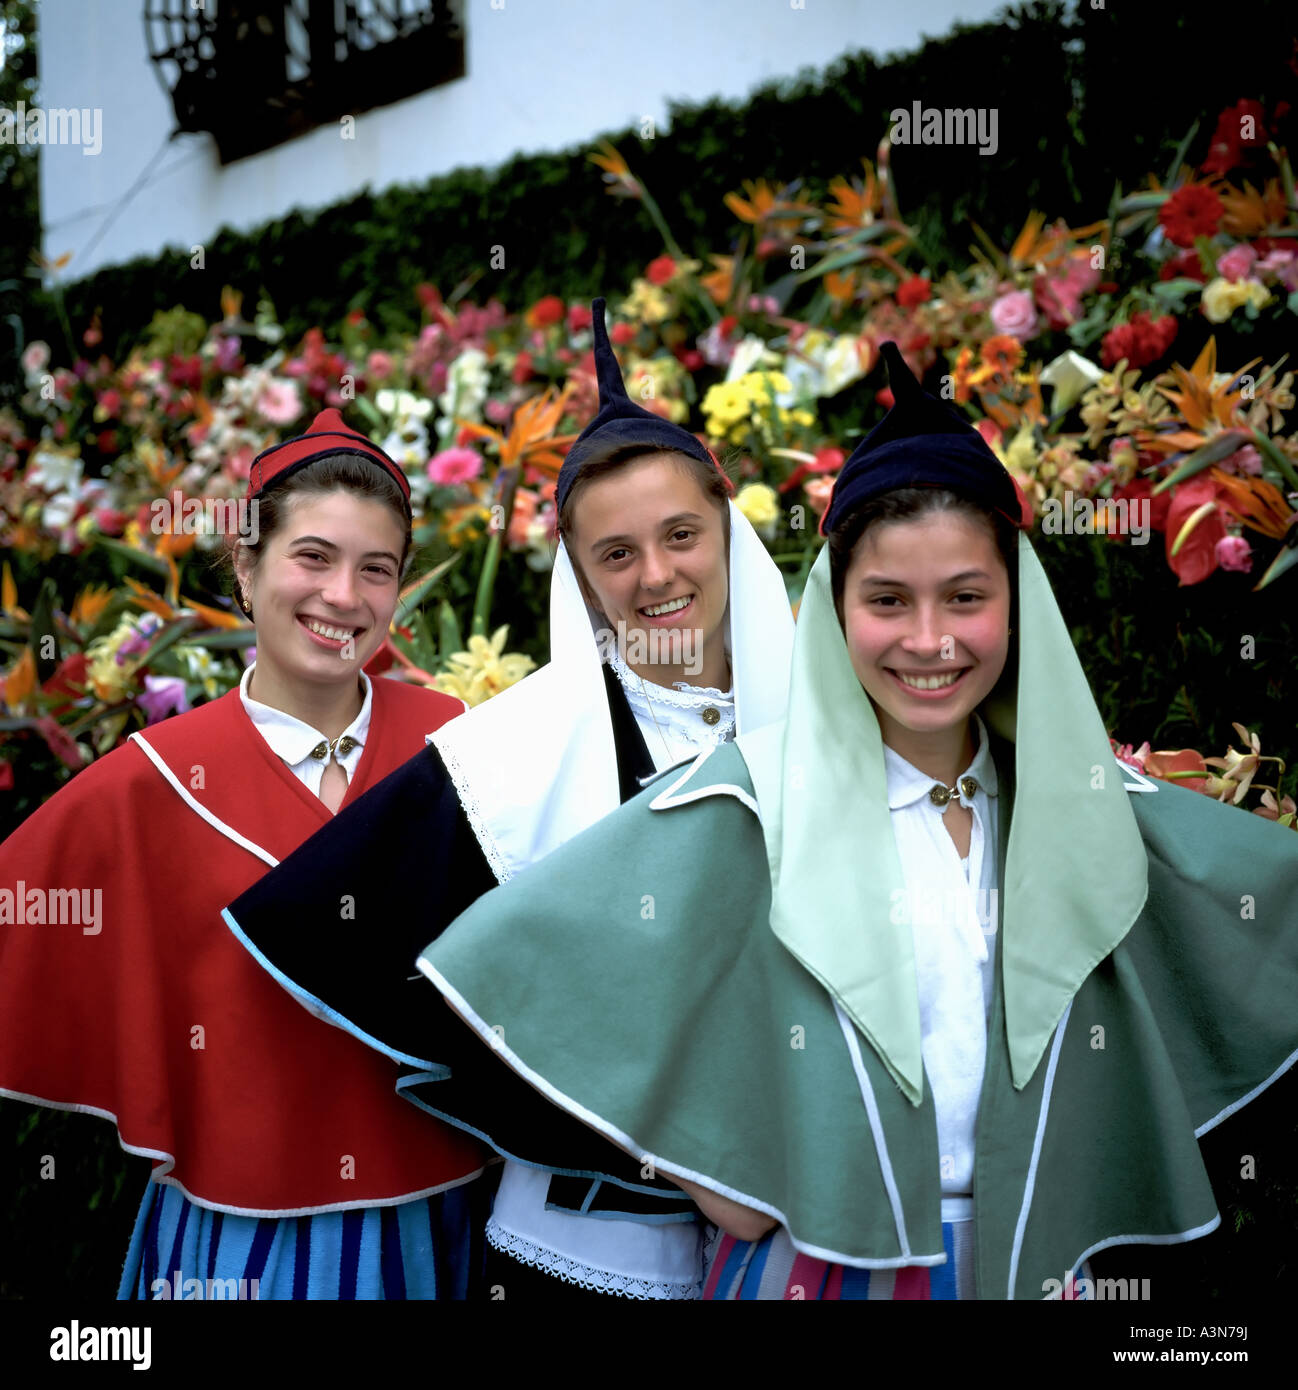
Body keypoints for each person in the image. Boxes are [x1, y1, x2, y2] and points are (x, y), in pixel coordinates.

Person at [408, 342, 1298, 1300]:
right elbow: (520, 964)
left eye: (966, 596)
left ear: (1017, 602)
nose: (928, 640)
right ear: (833, 609)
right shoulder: (739, 806)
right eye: (886, 601)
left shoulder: (1088, 808)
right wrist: (712, 1166)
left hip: (1032, 1265)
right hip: (818, 1268)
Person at [222, 299, 796, 1300]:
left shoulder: (829, 718)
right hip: (587, 1248)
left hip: (810, 1220)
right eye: (615, 554)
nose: (655, 575)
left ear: (727, 529)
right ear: (577, 575)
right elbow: (335, 928)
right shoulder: (516, 750)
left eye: (680, 536)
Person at [0, 409, 487, 1300]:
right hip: (237, 1240)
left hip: (443, 1214)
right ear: (244, 564)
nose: (344, 596)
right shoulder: (146, 781)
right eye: (312, 557)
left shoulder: (459, 742)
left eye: (375, 570)